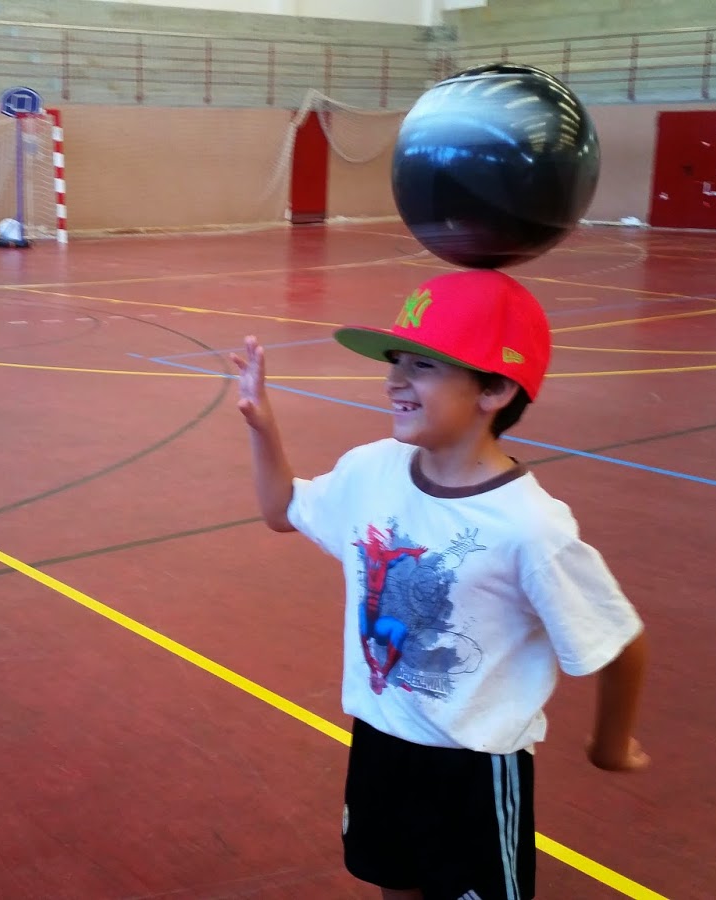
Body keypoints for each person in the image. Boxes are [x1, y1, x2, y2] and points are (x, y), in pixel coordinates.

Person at [231, 269, 649, 900]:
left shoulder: (530, 528)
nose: (394, 380)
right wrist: (263, 426)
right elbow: (281, 509)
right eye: (395, 361)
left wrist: (609, 746)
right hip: (379, 744)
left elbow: (619, 643)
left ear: (495, 388)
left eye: (422, 365)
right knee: (392, 885)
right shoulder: (372, 469)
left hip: (472, 772)